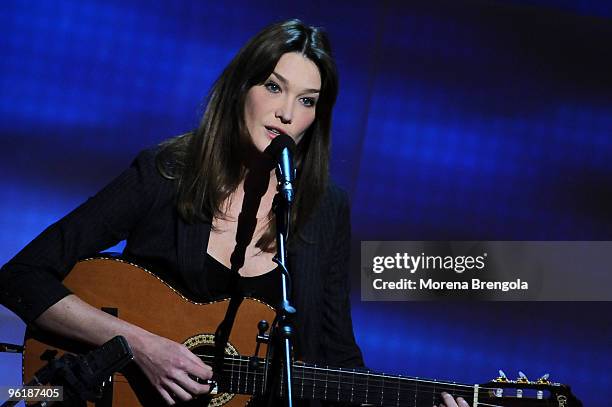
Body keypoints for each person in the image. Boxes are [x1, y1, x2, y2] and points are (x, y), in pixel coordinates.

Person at [0, 19, 469, 407]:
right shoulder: (167, 174)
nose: (287, 112)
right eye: (274, 87)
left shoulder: (326, 210)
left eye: (307, 101)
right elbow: (21, 277)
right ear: (242, 88)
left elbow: (336, 361)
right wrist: (140, 347)